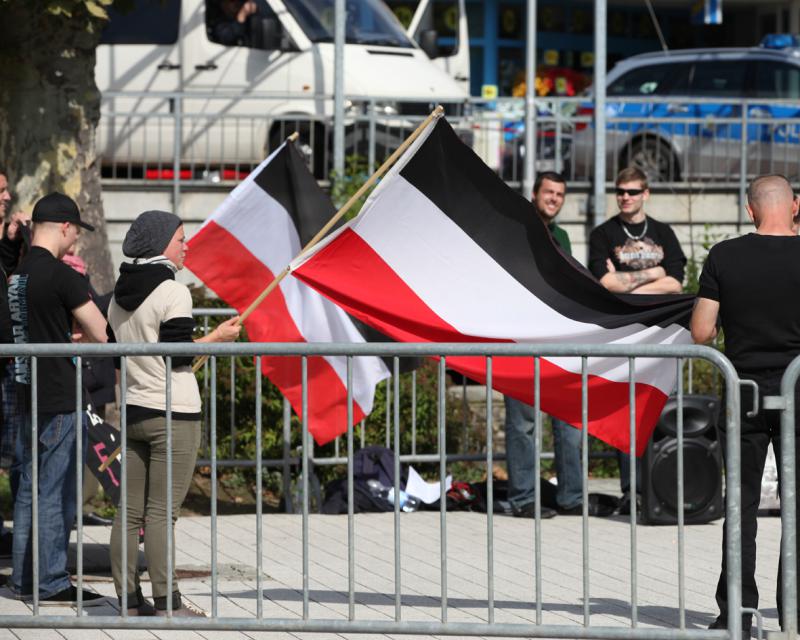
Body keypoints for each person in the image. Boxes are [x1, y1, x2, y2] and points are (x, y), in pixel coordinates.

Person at [108, 210, 241, 617]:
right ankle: (168, 602)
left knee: (128, 512)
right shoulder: (173, 291)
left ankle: (128, 600)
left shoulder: (117, 294)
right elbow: (178, 354)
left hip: (134, 410)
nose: (187, 246)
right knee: (162, 514)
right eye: (181, 238)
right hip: (173, 413)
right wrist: (218, 337)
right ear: (161, 243)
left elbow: (118, 360)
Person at [692, 174, 800, 639]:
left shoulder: (725, 255)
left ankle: (737, 611)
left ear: (749, 209)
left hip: (744, 394)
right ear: (795, 206)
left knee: (741, 506)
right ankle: (795, 611)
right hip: (799, 393)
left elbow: (700, 333)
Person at [8, 193, 108, 606]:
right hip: (59, 395)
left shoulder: (16, 276)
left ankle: (24, 579)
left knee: (30, 488)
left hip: (24, 391)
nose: (75, 243)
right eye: (75, 233)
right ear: (65, 227)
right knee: (57, 493)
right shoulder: (64, 276)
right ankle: (51, 582)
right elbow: (102, 332)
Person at [588, 166, 687, 513]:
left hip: (663, 336)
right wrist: (655, 274)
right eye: (620, 191)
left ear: (646, 193)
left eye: (632, 191)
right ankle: (632, 491)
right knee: (628, 414)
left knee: (663, 412)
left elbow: (676, 282)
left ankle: (662, 488)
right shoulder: (603, 234)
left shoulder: (663, 232)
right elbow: (606, 284)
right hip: (625, 336)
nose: (625, 197)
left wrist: (630, 281)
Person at [504, 172, 582, 519]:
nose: (553, 198)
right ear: (534, 194)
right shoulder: (515, 228)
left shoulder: (562, 236)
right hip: (519, 341)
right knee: (523, 424)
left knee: (568, 421)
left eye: (559, 194)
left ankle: (572, 498)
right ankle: (522, 499)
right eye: (548, 192)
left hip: (557, 342)